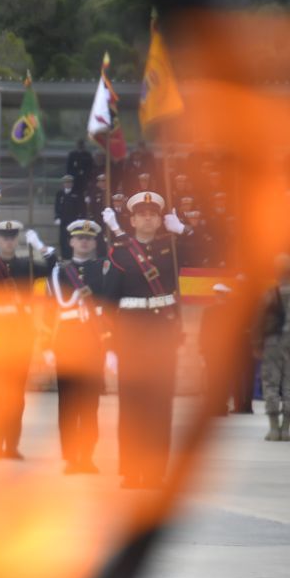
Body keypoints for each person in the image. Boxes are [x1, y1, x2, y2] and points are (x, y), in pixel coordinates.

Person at [101, 192, 190, 488]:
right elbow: (109, 303)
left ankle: (154, 470)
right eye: (143, 214)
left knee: (160, 405)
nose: (149, 218)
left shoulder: (173, 249)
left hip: (163, 335)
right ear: (133, 219)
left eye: (154, 214)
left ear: (160, 219)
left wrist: (185, 230)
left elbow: (211, 252)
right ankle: (130, 469)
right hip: (131, 336)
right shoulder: (119, 254)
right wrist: (110, 346)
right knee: (132, 405)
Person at [0, 221, 56, 460]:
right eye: (4, 236)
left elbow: (55, 267)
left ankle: (11, 445)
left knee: (17, 397)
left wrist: (40, 245)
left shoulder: (27, 267)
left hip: (20, 341)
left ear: (18, 239)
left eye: (12, 236)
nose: (8, 240)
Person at [48, 220, 111, 474]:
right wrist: (47, 347)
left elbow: (108, 308)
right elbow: (50, 309)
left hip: (94, 343)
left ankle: (87, 455)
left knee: (90, 404)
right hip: (66, 344)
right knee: (67, 404)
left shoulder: (104, 269)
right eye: (79, 237)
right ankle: (71, 457)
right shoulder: (58, 272)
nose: (84, 241)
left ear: (95, 242)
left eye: (89, 238)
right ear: (71, 242)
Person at [257, 256, 290, 440]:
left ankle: (274, 429)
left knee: (271, 383)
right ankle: (286, 429)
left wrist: (256, 344)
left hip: (273, 343)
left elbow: (259, 321)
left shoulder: (270, 294)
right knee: (289, 386)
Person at [199, 283, 235, 416]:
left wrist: (202, 350)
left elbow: (203, 332)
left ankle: (215, 406)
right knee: (222, 379)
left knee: (213, 379)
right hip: (221, 351)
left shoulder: (209, 311)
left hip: (213, 351)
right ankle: (221, 406)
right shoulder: (230, 312)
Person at [54, 174, 86, 259]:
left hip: (73, 220)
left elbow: (81, 207)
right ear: (63, 183)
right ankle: (64, 257)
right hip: (63, 221)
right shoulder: (60, 194)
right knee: (63, 240)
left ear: (72, 183)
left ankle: (73, 256)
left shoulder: (77, 194)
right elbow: (57, 206)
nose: (68, 184)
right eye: (66, 182)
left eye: (69, 182)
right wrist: (57, 217)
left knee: (73, 239)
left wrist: (81, 218)